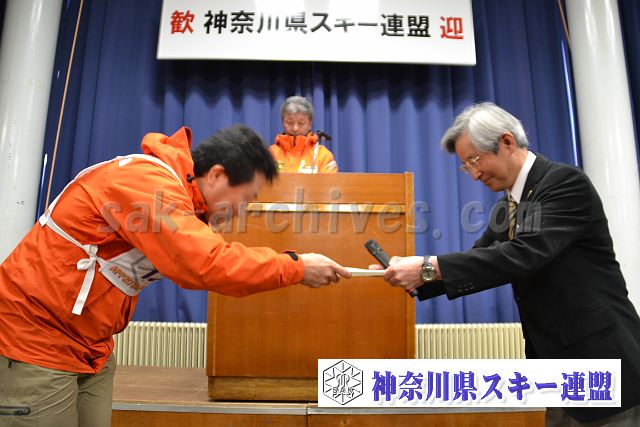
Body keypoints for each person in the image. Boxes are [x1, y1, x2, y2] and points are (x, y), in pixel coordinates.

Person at [0, 124, 350, 426]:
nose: (242, 210)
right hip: (36, 341)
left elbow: (214, 258)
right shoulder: (145, 182)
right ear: (216, 175)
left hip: (92, 348)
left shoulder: (181, 202)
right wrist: (297, 266)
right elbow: (205, 263)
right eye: (246, 197)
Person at [379, 102, 640, 425]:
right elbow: (483, 258)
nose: (474, 174)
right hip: (556, 369)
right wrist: (413, 276)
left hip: (602, 360)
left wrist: (427, 267)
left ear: (506, 142)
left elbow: (524, 253)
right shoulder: (510, 206)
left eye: (475, 160)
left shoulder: (563, 183)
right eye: (466, 167)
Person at [270, 95, 338, 173]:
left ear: (310, 124)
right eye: (290, 122)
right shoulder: (270, 154)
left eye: (301, 123)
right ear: (282, 122)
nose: (295, 128)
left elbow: (330, 180)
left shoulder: (322, 155)